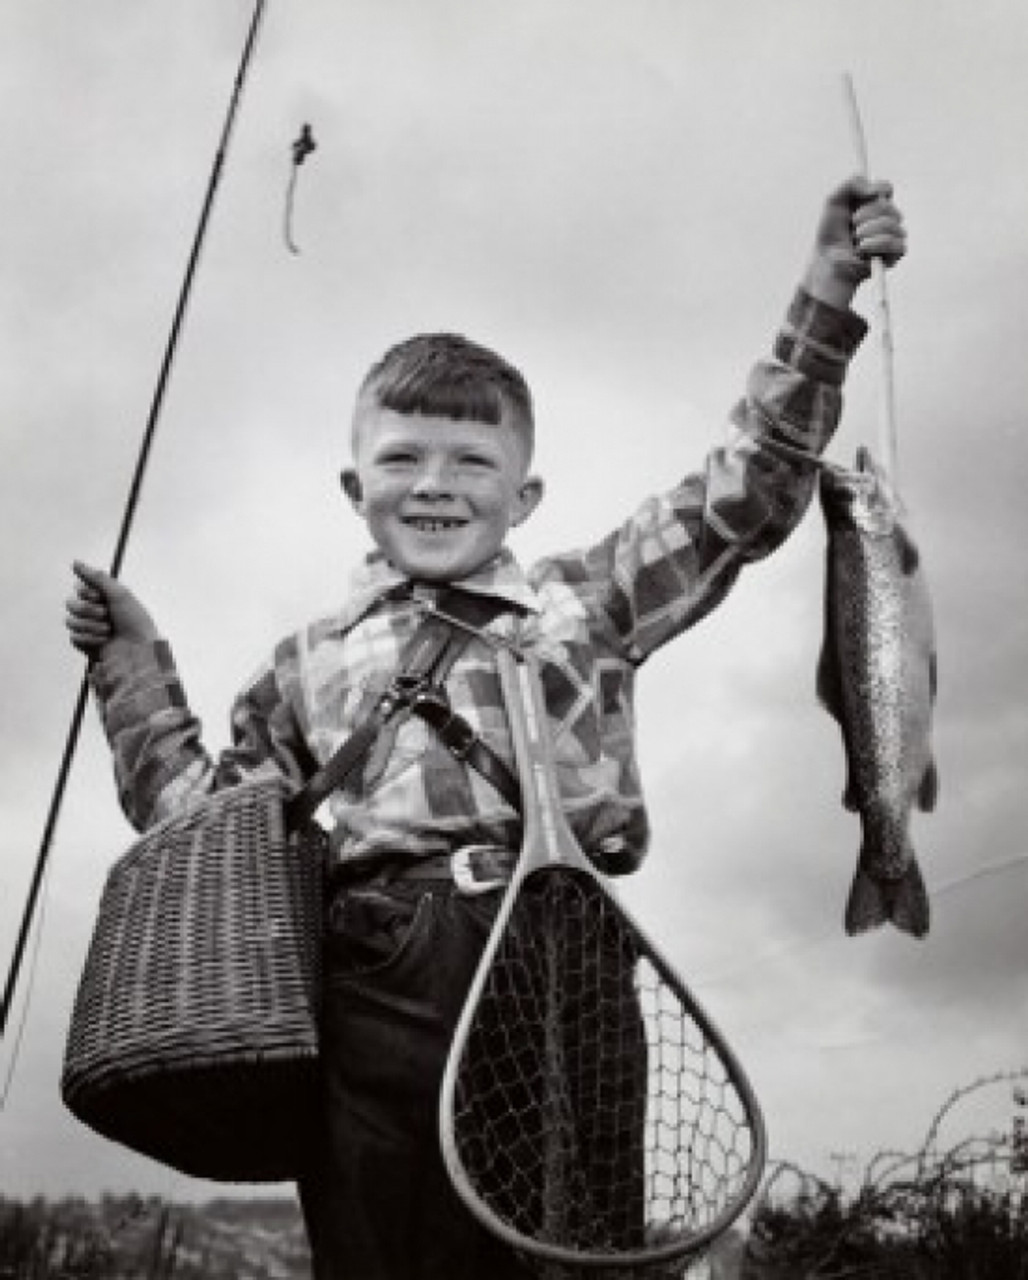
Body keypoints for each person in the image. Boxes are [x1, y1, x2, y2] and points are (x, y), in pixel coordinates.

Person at [66, 175, 906, 1279]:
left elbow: (738, 494)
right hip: (377, 971)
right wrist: (129, 665)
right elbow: (200, 822)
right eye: (403, 457)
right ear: (351, 483)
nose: (435, 484)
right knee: (388, 1250)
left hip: (567, 955)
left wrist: (826, 287)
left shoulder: (585, 600)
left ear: (527, 492)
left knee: (577, 1247)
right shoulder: (303, 661)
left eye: (472, 461)